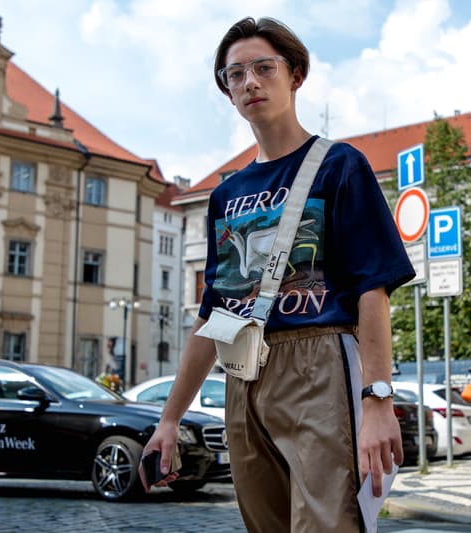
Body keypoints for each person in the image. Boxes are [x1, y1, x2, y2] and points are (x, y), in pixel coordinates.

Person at [139, 16, 415, 532]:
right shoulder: (226, 194)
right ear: (227, 91)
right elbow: (211, 316)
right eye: (235, 74)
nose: (249, 82)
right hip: (242, 373)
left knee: (328, 524)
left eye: (263, 68)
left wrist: (377, 400)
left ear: (296, 75)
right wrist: (169, 419)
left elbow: (373, 288)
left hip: (320, 364)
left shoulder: (339, 166)